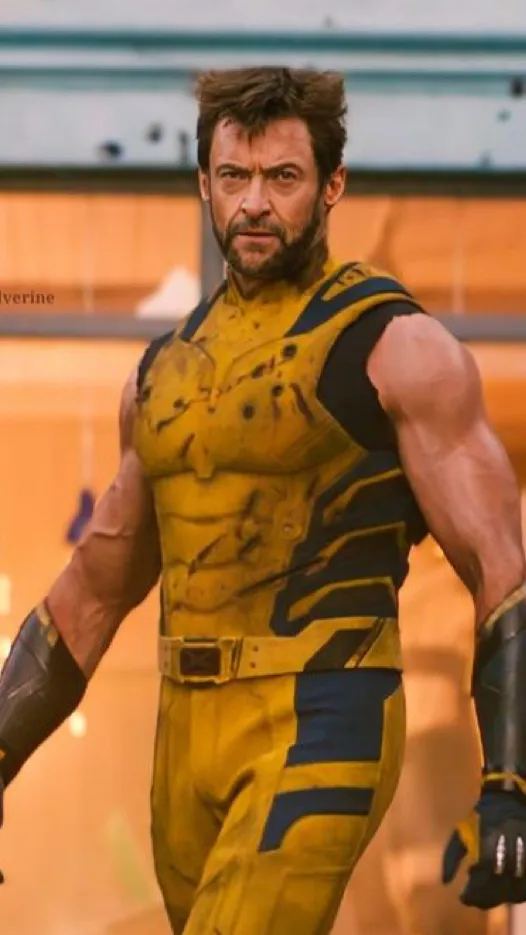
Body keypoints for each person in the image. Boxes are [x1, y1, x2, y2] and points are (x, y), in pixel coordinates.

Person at [0, 66, 525, 933]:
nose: (254, 203)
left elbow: (500, 569)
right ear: (203, 184)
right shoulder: (162, 376)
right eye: (233, 176)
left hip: (322, 713)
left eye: (282, 177)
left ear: (332, 185)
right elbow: (92, 590)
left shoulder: (397, 347)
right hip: (185, 732)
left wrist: (509, 781)